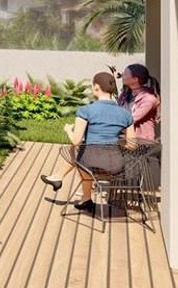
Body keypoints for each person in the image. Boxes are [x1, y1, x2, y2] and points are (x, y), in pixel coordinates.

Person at [40, 72, 135, 213]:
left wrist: (68, 130)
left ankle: (59, 178)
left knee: (79, 151)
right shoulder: (126, 114)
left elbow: (76, 140)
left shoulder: (86, 110)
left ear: (96, 87)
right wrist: (116, 142)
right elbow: (132, 145)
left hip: (90, 164)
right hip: (116, 166)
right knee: (86, 153)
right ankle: (85, 199)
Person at [119, 64, 160, 141]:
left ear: (135, 79)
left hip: (142, 143)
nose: (122, 76)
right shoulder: (124, 96)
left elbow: (131, 119)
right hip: (126, 140)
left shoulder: (149, 99)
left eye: (125, 74)